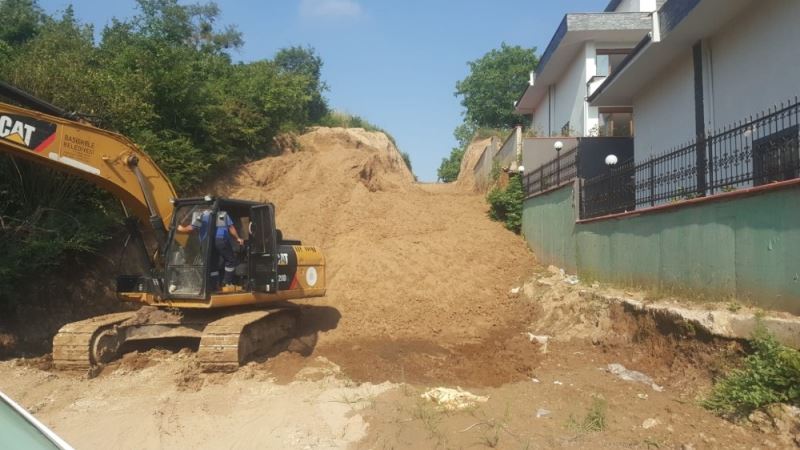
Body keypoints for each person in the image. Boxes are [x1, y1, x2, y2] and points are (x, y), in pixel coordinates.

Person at [177, 209, 244, 290]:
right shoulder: (222, 214)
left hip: (208, 242)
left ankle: (213, 285)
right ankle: (226, 283)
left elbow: (192, 228)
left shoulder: (201, 215)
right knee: (231, 261)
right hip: (221, 239)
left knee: (213, 264)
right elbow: (231, 227)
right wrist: (238, 238)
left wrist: (181, 228)